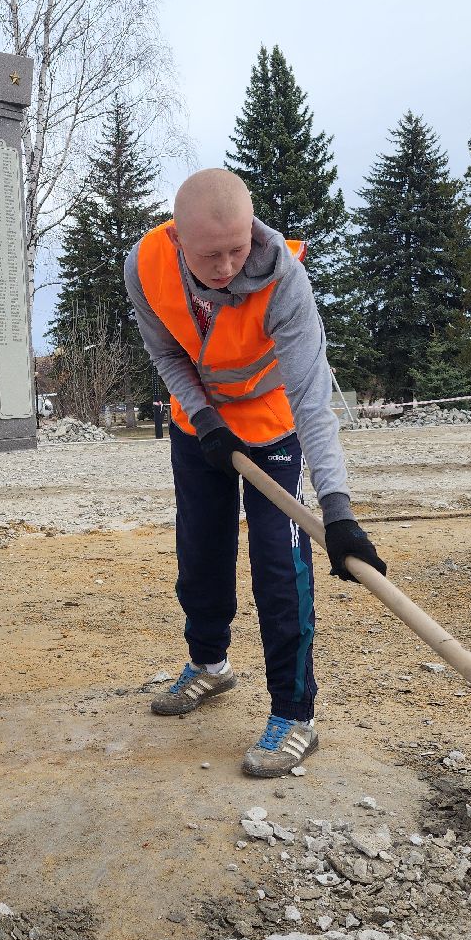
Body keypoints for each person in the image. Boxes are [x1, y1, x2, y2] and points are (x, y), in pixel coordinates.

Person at [123, 169, 387, 777]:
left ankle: (295, 715)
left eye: (237, 248)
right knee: (201, 551)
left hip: (271, 425)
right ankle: (209, 666)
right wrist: (203, 418)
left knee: (279, 561)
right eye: (210, 254)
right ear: (177, 240)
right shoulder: (145, 266)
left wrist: (339, 511)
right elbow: (165, 352)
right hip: (201, 430)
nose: (227, 266)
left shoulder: (286, 283)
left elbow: (312, 399)